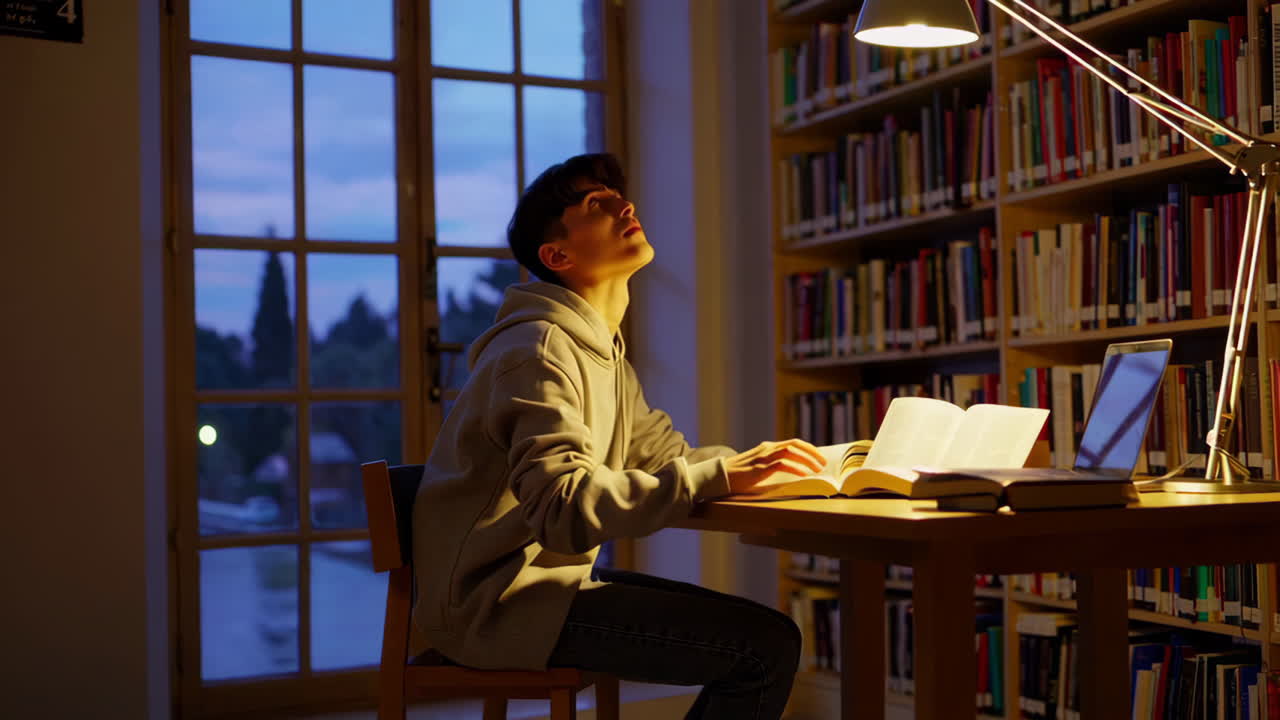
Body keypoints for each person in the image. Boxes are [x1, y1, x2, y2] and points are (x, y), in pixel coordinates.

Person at [411, 152, 826, 719]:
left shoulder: (601, 353)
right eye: (596, 205)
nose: (623, 205)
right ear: (557, 255)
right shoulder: (537, 350)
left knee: (770, 634)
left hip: (540, 589)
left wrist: (769, 464)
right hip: (499, 606)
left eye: (615, 196)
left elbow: (665, 456)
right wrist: (720, 475)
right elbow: (563, 509)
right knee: (765, 649)